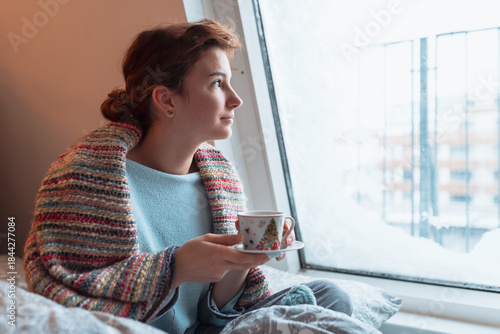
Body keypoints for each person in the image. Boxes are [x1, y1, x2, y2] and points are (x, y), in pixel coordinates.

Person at [24, 19, 352, 334]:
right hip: (137, 327)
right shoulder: (86, 174)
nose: (235, 100)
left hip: (208, 328)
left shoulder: (221, 178)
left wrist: (241, 261)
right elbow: (67, 291)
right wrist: (175, 268)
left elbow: (215, 312)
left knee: (330, 296)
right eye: (217, 84)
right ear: (167, 100)